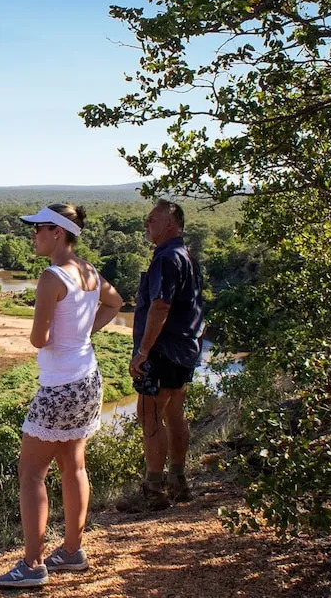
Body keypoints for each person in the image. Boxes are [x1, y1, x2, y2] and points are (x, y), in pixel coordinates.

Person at [0, 204, 123, 588]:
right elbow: (115, 303)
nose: (33, 235)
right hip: (87, 379)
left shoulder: (51, 278)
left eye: (38, 230)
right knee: (74, 465)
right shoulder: (90, 272)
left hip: (58, 385)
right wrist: (85, 334)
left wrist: (51, 332)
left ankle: (32, 566)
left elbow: (39, 339)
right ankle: (71, 551)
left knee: (31, 473)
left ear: (58, 233)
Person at [128, 199, 205, 510]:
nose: (147, 225)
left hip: (163, 349)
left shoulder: (167, 258)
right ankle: (178, 481)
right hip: (185, 348)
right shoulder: (186, 256)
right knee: (174, 413)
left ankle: (154, 488)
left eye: (152, 220)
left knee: (149, 414)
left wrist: (144, 351)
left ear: (171, 224)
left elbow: (160, 306)